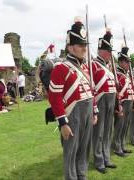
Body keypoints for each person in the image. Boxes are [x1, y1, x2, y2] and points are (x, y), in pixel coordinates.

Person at [48, 17, 98, 180]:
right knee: (71, 152)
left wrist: (94, 111)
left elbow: (91, 91)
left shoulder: (84, 67)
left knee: (84, 149)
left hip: (87, 112)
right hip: (72, 114)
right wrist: (63, 123)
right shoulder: (61, 67)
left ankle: (82, 176)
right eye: (80, 45)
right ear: (70, 47)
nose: (84, 48)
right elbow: (54, 97)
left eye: (85, 45)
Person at [92, 28, 117, 174]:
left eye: (110, 51)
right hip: (101, 100)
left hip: (111, 99)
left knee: (108, 130)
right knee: (99, 132)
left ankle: (107, 157)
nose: (109, 54)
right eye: (107, 51)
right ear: (101, 51)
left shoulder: (108, 67)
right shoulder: (94, 65)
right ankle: (99, 159)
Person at [112, 45, 134, 157]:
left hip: (129, 102)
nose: (128, 64)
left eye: (128, 62)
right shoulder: (117, 75)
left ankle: (122, 145)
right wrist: (118, 106)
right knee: (119, 126)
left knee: (125, 125)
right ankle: (117, 147)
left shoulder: (125, 75)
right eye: (126, 62)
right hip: (122, 103)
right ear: (120, 62)